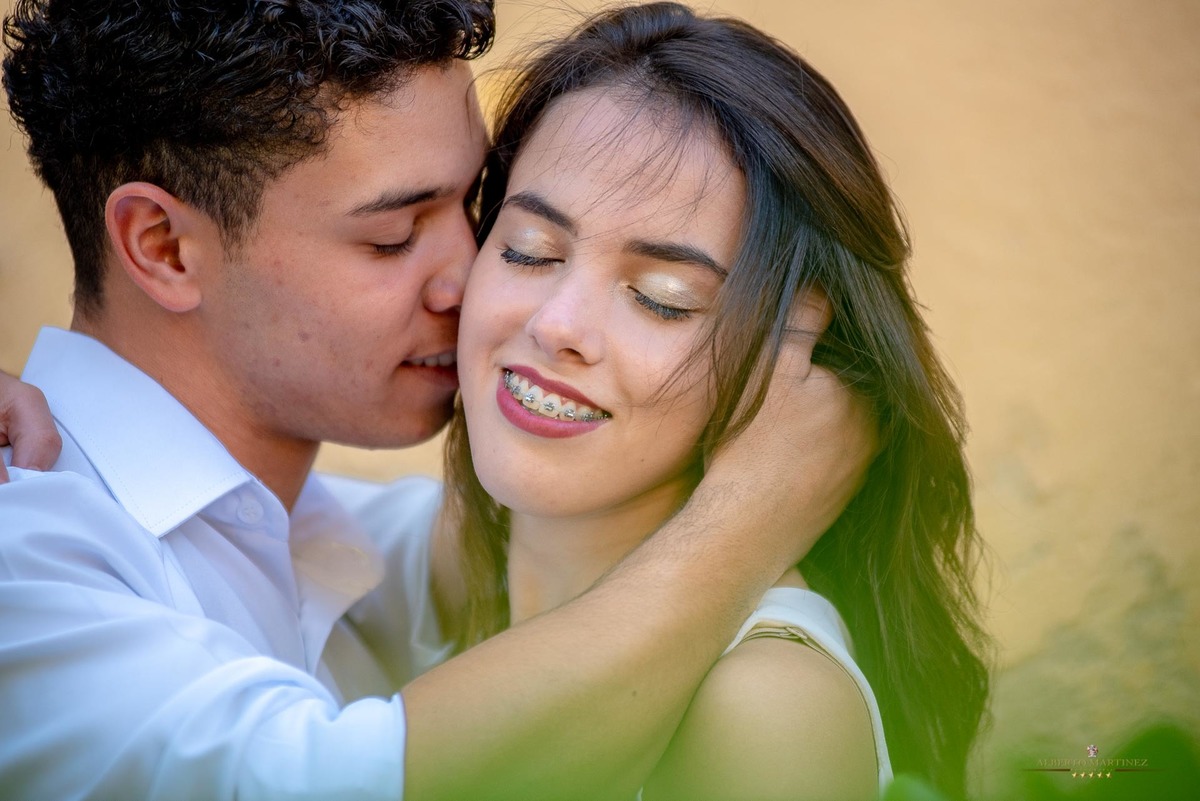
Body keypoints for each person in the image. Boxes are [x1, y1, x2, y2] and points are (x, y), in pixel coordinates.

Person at [0, 1, 873, 799]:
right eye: (393, 236)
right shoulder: (25, 554)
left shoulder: (314, 535)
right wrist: (755, 508)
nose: (472, 280)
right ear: (165, 248)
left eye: (479, 213)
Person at [372, 3, 987, 799]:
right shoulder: (400, 575)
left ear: (792, 355)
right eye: (529, 250)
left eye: (663, 298)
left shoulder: (765, 709)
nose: (557, 325)